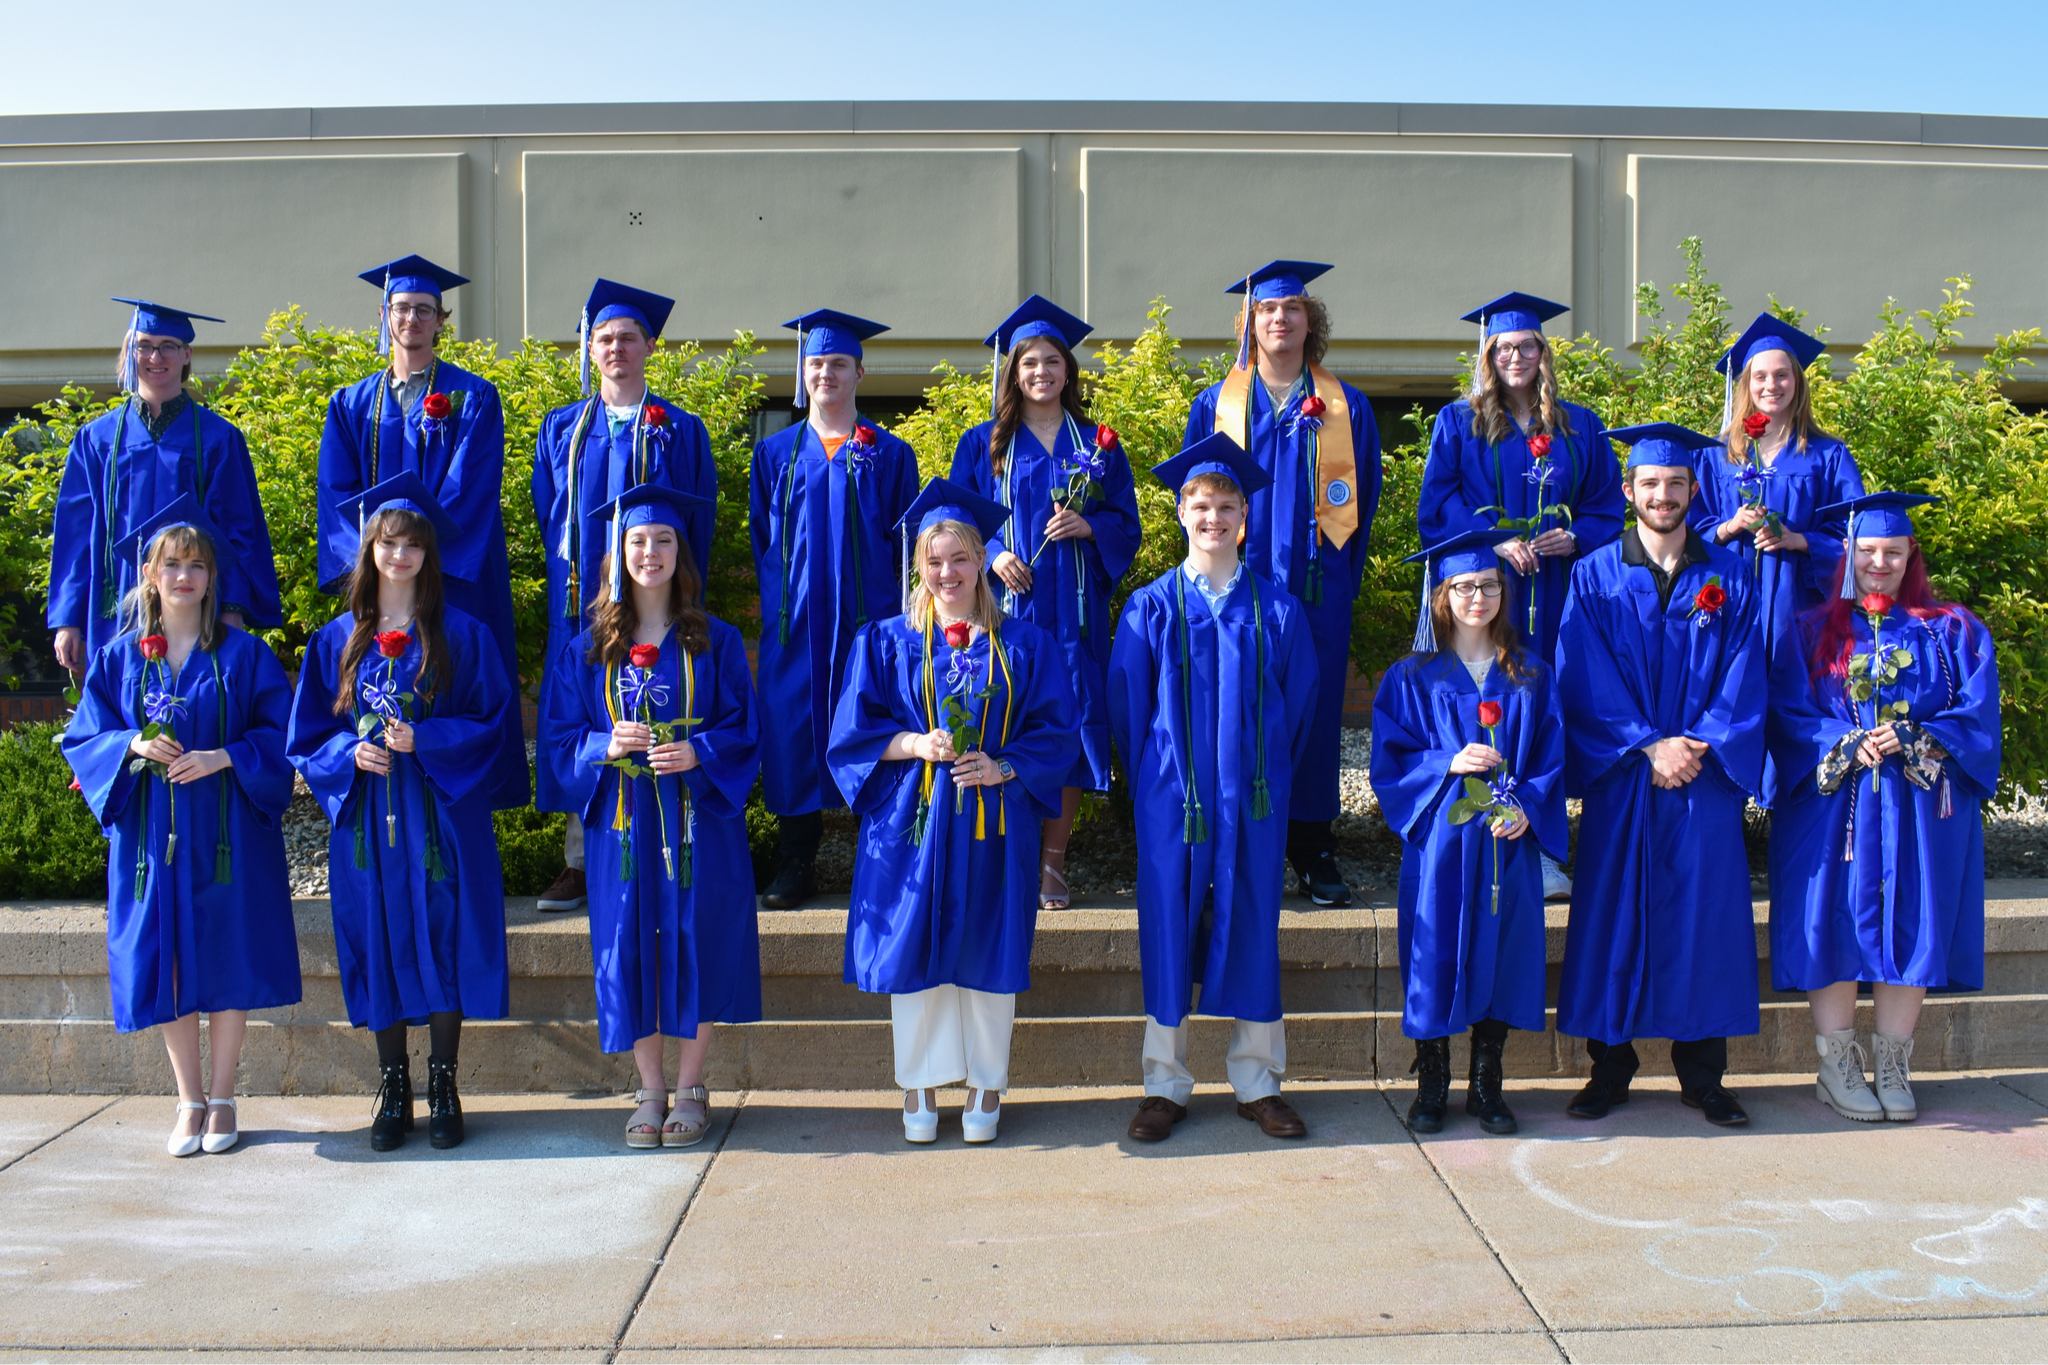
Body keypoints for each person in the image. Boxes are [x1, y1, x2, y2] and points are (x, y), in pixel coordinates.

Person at [826, 479, 1078, 1144]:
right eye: (934, 560)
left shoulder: (1024, 643)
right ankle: (919, 1081)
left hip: (995, 823)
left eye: (961, 558)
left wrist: (1005, 765)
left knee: (991, 945)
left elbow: (1056, 732)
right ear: (918, 565)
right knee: (915, 947)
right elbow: (850, 736)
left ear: (980, 560)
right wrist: (914, 742)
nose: (947, 573)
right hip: (914, 824)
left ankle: (987, 1081)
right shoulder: (883, 641)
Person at [61, 496, 298, 1157]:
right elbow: (85, 735)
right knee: (164, 961)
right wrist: (132, 745)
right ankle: (188, 1098)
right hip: (151, 837)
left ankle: (223, 1096)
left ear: (212, 575)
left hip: (227, 836)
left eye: (197, 564)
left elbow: (283, 734)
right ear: (149, 573)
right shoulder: (119, 658)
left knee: (227, 955)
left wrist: (227, 755)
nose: (186, 576)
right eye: (172, 564)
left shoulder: (245, 656)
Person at [287, 472, 513, 1153]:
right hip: (369, 827)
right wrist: (347, 753)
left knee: (443, 934)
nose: (401, 555)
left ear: (428, 555)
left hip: (439, 821)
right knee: (379, 937)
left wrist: (431, 737)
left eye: (414, 544)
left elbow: (493, 718)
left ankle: (444, 1083)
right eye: (389, 542)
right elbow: (306, 737)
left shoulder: (462, 634)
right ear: (370, 550)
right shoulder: (337, 641)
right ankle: (394, 1085)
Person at [1554, 423, 1767, 1127]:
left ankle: (1703, 1075)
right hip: (1626, 774)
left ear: (1693, 489)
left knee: (1706, 914)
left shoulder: (1729, 575)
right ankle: (1609, 1069)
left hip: (1702, 775)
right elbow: (1581, 676)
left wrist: (1696, 744)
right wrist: (1648, 745)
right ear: (1629, 491)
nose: (1663, 494)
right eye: (1650, 483)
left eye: (1675, 483)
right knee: (1612, 908)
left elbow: (1746, 673)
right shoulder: (1594, 573)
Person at [1109, 435, 1319, 1143]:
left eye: (1227, 507)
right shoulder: (1150, 607)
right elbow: (1127, 710)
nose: (1214, 518)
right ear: (1180, 512)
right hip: (1172, 800)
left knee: (1255, 925)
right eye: (1201, 506)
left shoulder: (1278, 610)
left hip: (1255, 801)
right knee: (1167, 926)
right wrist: (1155, 786)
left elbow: (1301, 706)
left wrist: (1261, 776)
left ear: (1245, 518)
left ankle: (1258, 1081)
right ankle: (1164, 1083)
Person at [1766, 492, 2000, 1123]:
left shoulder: (1953, 631)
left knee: (1914, 915)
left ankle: (1894, 1062)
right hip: (1833, 813)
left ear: (1909, 556)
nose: (1878, 563)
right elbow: (1785, 715)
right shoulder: (1810, 631)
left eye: (1892, 552)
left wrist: (1920, 736)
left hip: (1918, 808)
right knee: (1832, 918)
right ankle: (1836, 1065)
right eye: (1866, 551)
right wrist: (1843, 744)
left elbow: (1977, 718)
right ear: (1847, 556)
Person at [541, 485, 762, 1148]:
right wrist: (601, 745)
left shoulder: (715, 641)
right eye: (637, 540)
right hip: (624, 825)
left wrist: (701, 749)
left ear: (679, 552)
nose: (650, 552)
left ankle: (692, 1084)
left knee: (700, 937)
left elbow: (746, 729)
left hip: (700, 820)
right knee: (624, 945)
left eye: (663, 539)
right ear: (617, 552)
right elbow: (557, 739)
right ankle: (649, 1086)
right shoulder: (586, 649)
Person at [1184, 261, 1380, 907]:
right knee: (1234, 702)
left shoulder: (1344, 405)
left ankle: (1313, 843)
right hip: (1238, 584)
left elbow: (1366, 498)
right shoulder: (1216, 404)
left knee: (1316, 709)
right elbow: (1195, 496)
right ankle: (1232, 838)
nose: (1280, 319)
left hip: (1318, 587)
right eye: (1268, 310)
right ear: (1250, 323)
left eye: (1293, 308)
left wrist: (1338, 578)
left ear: (1309, 321)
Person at [1418, 292, 1621, 902]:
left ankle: (1543, 845)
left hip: (1557, 591)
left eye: (1527, 345)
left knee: (1544, 706)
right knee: (1494, 701)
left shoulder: (1579, 424)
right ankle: (1484, 830)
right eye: (1503, 347)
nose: (1516, 355)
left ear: (1543, 352)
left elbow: (1608, 504)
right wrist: (1496, 541)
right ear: (1488, 354)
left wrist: (1574, 535)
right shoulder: (1459, 422)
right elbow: (1439, 505)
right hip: (1488, 588)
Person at [1370, 528, 1567, 1136]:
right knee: (1434, 956)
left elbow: (1553, 754)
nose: (1477, 597)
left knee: (1503, 951)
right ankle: (1432, 1081)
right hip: (1442, 851)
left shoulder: (1530, 673)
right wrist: (1445, 763)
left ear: (1503, 591)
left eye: (1487, 585)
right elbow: (1389, 761)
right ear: (1443, 594)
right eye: (1464, 586)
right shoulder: (1411, 676)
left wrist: (1529, 805)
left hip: (1507, 845)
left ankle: (1488, 1084)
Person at [948, 295, 1143, 909]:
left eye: (1052, 360)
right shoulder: (984, 443)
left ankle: (1054, 864)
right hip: (1008, 612)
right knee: (1005, 722)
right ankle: (1007, 855)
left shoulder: (1100, 445)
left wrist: (1092, 528)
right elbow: (957, 520)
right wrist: (995, 550)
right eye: (1029, 361)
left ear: (1068, 371)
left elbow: (1125, 521)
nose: (1041, 371)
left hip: (1076, 613)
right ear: (1014, 372)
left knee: (1072, 724)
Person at [532, 279, 719, 915]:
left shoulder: (681, 430)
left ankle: (666, 841)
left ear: (649, 347)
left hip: (657, 607)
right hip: (580, 603)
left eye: (628, 338)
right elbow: (547, 512)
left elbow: (697, 525)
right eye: (604, 338)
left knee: (656, 703)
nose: (616, 348)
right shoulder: (563, 429)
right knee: (586, 717)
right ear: (589, 349)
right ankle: (580, 862)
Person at [316, 255, 526, 813]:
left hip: (452, 580)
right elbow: (338, 496)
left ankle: (460, 823)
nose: (412, 318)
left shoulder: (472, 397)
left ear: (441, 320)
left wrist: (418, 555)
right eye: (402, 308)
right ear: (385, 315)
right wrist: (373, 567)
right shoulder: (350, 403)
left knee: (452, 690)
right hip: (381, 583)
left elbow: (472, 485)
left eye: (424, 310)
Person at [751, 309, 919, 909]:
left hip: (866, 625)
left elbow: (908, 546)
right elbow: (763, 541)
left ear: (859, 373)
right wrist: (784, 606)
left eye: (838, 364)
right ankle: (796, 859)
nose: (826, 373)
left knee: (871, 721)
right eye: (816, 363)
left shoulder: (891, 454)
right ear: (803, 371)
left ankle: (888, 856)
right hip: (796, 627)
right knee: (794, 729)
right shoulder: (774, 454)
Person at [50, 298, 281, 676]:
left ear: (186, 354)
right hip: (115, 601)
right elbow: (74, 536)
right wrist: (67, 619)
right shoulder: (96, 440)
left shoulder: (219, 438)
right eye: (144, 346)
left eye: (168, 346)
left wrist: (232, 608)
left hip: (198, 606)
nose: (155, 357)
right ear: (130, 351)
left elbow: (239, 531)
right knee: (121, 706)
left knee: (197, 705)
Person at [1695, 314, 1866, 806]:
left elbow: (1857, 538)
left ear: (1798, 381)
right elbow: (1685, 530)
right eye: (1761, 376)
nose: (1772, 385)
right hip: (1730, 609)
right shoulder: (1715, 457)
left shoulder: (1829, 455)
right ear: (1745, 384)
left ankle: (1798, 826)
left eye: (1782, 374)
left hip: (1800, 612)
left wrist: (1801, 540)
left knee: (1798, 715)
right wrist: (1728, 528)